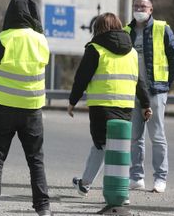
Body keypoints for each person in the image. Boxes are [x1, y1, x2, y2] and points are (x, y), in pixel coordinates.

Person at [0, 0, 51, 216]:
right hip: (32, 109)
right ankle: (43, 208)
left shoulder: (2, 38)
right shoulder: (41, 40)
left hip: (3, 108)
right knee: (36, 160)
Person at [67, 12, 152, 205]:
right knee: (111, 146)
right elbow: (139, 81)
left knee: (105, 145)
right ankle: (85, 183)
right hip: (125, 107)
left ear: (98, 28)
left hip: (102, 106)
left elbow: (82, 77)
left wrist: (73, 100)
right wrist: (145, 104)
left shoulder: (95, 48)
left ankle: (120, 192)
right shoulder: (131, 51)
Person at [125, 0, 174, 193]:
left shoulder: (162, 29)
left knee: (157, 136)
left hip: (156, 91)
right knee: (134, 137)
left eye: (143, 6)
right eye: (136, 6)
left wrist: (166, 84)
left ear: (151, 10)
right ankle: (136, 177)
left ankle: (160, 178)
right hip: (133, 92)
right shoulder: (127, 30)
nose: (139, 9)